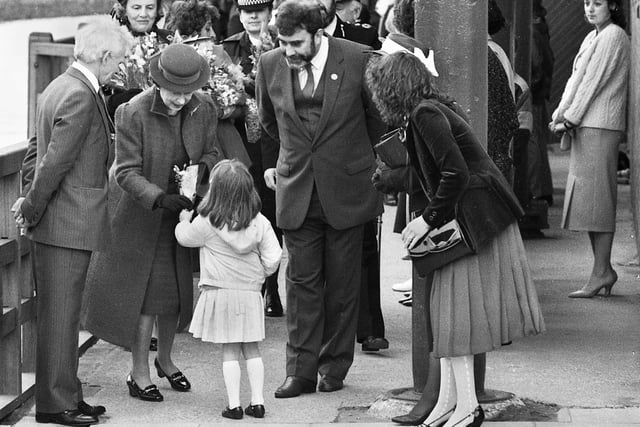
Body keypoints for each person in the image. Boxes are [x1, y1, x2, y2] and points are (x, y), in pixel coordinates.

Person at [366, 51, 545, 427]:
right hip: (477, 220)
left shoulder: (424, 115)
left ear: (391, 89)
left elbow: (454, 174)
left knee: (455, 321)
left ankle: (467, 408)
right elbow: (439, 170)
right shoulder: (430, 109)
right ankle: (452, 403)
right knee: (450, 319)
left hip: (473, 223)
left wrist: (426, 221)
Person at [256, 0, 385, 397]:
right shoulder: (269, 64)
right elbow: (267, 120)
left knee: (343, 287)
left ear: (319, 33)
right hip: (297, 189)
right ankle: (301, 371)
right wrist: (295, 160)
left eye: (296, 43)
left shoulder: (359, 59)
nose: (289, 50)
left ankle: (334, 367)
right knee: (300, 285)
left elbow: (377, 120)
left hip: (347, 190)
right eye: (283, 42)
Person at [10, 18, 133, 427]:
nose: (121, 66)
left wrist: (31, 196)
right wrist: (31, 205)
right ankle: (54, 405)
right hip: (66, 223)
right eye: (119, 59)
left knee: (62, 316)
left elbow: (35, 151)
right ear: (102, 56)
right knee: (61, 319)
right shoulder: (80, 94)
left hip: (63, 222)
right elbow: (55, 161)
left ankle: (68, 395)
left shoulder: (59, 86)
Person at [83, 44, 222, 403]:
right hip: (142, 217)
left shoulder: (203, 106)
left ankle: (166, 360)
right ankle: (139, 371)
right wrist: (159, 197)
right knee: (145, 300)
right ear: (157, 82)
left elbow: (211, 151)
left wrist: (198, 176)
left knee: (175, 295)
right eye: (174, 93)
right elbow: (125, 171)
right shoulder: (133, 111)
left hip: (183, 214)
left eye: (186, 92)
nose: (180, 100)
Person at [175, 159, 282, 420]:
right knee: (252, 349)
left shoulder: (207, 221)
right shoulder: (259, 222)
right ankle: (257, 402)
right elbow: (274, 256)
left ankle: (234, 405)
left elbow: (184, 238)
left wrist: (182, 221)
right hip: (249, 293)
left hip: (221, 293)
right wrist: (259, 274)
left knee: (230, 351)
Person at [550, 0, 629, 298]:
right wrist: (560, 114)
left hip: (600, 125)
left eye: (598, 3)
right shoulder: (593, 36)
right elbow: (575, 81)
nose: (590, 8)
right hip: (589, 125)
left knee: (599, 200)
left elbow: (592, 84)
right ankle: (601, 270)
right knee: (590, 202)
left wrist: (568, 118)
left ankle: (602, 271)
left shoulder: (613, 36)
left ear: (612, 7)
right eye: (587, 2)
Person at [223, 0, 285, 317]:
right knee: (244, 212)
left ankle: (272, 289)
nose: (252, 17)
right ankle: (251, 288)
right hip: (241, 143)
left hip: (274, 143)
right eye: (246, 11)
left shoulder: (281, 42)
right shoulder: (229, 48)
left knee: (273, 216)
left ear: (268, 12)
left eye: (258, 11)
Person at [529, 0, 554, 206]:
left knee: (534, 143)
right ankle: (543, 190)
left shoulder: (532, 32)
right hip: (541, 92)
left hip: (534, 95)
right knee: (539, 143)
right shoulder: (541, 29)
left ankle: (539, 191)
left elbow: (536, 65)